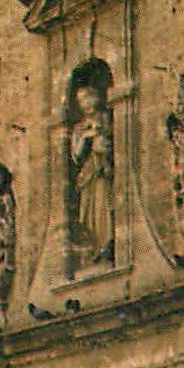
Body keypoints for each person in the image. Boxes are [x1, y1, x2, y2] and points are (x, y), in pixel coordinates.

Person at [68, 79, 115, 263]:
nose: (85, 103)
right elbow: (76, 156)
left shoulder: (106, 119)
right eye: (81, 100)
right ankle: (96, 246)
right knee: (89, 213)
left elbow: (110, 144)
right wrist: (87, 138)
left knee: (104, 205)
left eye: (88, 97)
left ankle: (108, 242)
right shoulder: (79, 128)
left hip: (103, 171)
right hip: (89, 174)